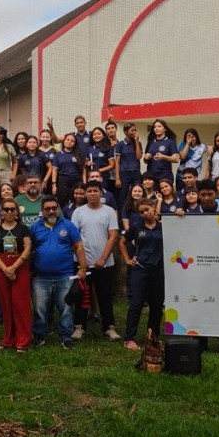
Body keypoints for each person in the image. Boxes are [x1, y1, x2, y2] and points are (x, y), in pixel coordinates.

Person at [30, 196, 86, 349]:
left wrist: (82, 268)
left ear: (58, 209)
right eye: (47, 209)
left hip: (65, 276)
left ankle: (66, 336)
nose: (51, 211)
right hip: (40, 277)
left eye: (54, 208)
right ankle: (40, 336)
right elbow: (28, 249)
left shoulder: (68, 226)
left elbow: (79, 246)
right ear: (42, 211)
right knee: (40, 309)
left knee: (66, 308)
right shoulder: (35, 228)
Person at [71, 182, 121, 342]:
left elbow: (113, 236)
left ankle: (109, 327)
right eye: (89, 191)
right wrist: (83, 263)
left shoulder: (109, 212)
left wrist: (103, 259)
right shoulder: (78, 212)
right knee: (81, 296)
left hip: (104, 263)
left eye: (95, 191)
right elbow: (74, 238)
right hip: (82, 263)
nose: (92, 193)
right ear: (85, 194)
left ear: (101, 193)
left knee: (105, 295)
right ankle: (79, 326)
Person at [0, 197, 33, 351]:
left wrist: (14, 266)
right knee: (6, 305)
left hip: (19, 266)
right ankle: (9, 338)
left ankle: (23, 340)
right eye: (6, 209)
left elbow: (28, 248)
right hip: (1, 268)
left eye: (12, 209)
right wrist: (5, 269)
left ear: (16, 212)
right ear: (1, 212)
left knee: (21, 304)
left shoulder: (23, 229)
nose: (9, 212)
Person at [120, 199, 164, 350]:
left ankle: (153, 336)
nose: (145, 214)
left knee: (157, 305)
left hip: (158, 269)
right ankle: (129, 338)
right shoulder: (137, 227)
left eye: (147, 210)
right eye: (141, 212)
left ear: (153, 208)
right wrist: (127, 259)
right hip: (140, 268)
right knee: (136, 304)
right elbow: (122, 241)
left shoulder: (163, 227)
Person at [142, 119, 178, 187]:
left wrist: (163, 157)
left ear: (165, 129)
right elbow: (145, 161)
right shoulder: (151, 142)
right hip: (152, 176)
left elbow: (176, 159)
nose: (156, 128)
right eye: (155, 127)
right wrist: (146, 157)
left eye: (159, 126)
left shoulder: (170, 142)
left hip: (165, 176)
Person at [114, 123, 142, 208]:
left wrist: (137, 142)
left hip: (136, 172)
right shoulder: (120, 145)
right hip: (124, 173)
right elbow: (117, 162)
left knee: (138, 195)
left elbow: (138, 157)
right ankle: (121, 219)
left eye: (135, 130)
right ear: (126, 132)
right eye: (132, 130)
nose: (134, 132)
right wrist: (117, 178)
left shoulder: (138, 143)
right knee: (123, 196)